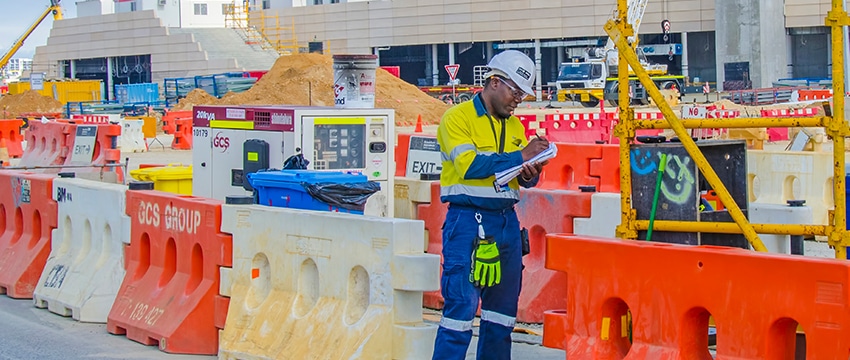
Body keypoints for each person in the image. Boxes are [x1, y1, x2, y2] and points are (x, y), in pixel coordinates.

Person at [432, 50, 550, 360]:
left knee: (501, 317)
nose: (518, 100)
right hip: (467, 224)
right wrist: (520, 156)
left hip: (506, 225)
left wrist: (531, 172)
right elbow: (468, 166)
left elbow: (518, 180)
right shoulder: (456, 119)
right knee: (460, 313)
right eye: (515, 92)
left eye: (523, 95)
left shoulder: (515, 128)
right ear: (494, 83)